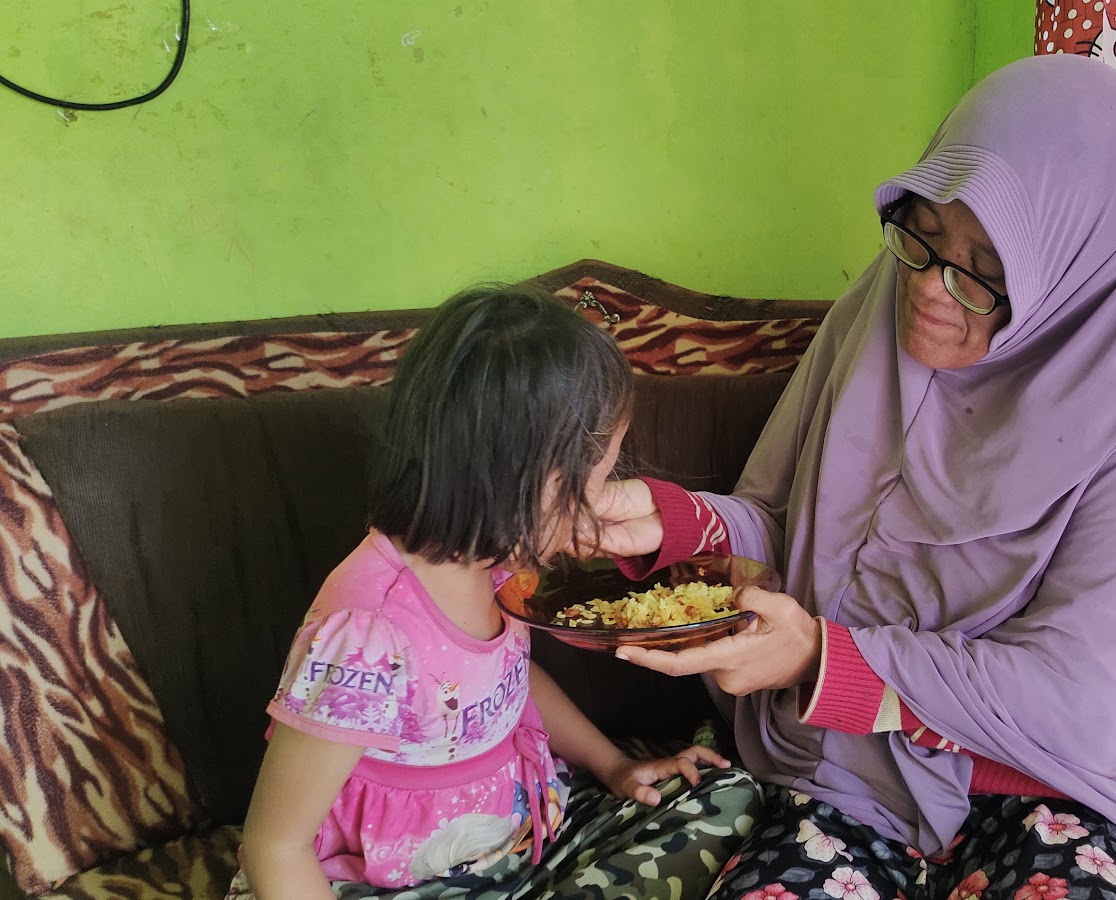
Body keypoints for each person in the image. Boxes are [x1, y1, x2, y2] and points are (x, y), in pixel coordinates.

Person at [582, 55, 1116, 900]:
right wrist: (671, 521)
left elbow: (1074, 697)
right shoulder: (875, 309)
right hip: (840, 772)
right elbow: (787, 533)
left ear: (1071, 281)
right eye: (922, 233)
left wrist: (824, 660)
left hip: (1049, 791)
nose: (932, 289)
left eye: (986, 271)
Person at [229, 285, 760, 900]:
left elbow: (509, 681)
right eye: (600, 478)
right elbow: (275, 847)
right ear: (542, 483)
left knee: (730, 796)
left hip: (523, 845)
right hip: (403, 884)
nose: (601, 502)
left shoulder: (498, 565)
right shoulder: (368, 636)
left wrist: (613, 765)